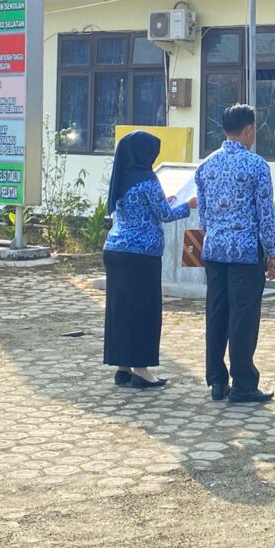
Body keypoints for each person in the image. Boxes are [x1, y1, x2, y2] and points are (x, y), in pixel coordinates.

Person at [195, 104, 275, 403]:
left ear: (224, 129)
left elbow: (203, 215)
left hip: (214, 250)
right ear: (249, 129)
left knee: (216, 313)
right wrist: (272, 252)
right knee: (243, 317)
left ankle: (217, 381)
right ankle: (243, 384)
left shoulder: (206, 165)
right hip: (245, 252)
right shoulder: (257, 165)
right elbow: (265, 214)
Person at [103, 131, 196, 388]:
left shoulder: (122, 177)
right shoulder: (148, 179)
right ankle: (141, 370)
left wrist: (163, 202)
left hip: (115, 250)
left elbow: (142, 207)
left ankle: (122, 367)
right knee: (144, 311)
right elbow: (165, 215)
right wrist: (188, 205)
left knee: (121, 311)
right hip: (142, 254)